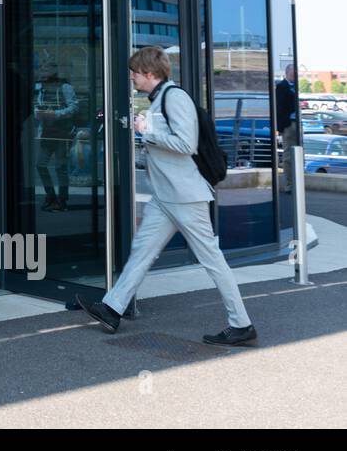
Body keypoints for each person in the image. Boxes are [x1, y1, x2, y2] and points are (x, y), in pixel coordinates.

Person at [79, 46, 257, 348]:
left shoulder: (175, 98)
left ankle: (241, 324)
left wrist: (146, 133)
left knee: (212, 260)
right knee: (142, 252)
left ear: (150, 73)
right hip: (166, 197)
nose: (132, 77)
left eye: (135, 72)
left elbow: (185, 144)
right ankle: (112, 309)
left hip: (185, 197)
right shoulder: (160, 99)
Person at [33, 63, 78, 211]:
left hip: (62, 132)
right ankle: (50, 195)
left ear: (53, 72)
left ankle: (62, 199)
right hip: (47, 131)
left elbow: (74, 107)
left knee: (60, 167)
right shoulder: (41, 88)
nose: (42, 72)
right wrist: (39, 114)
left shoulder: (65, 87)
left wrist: (56, 115)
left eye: (45, 70)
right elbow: (37, 105)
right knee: (40, 164)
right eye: (42, 69)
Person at [275, 64, 299, 194]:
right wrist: (282, 127)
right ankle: (289, 184)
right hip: (289, 124)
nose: (295, 75)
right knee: (288, 155)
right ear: (288, 73)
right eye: (294, 73)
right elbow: (279, 108)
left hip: (297, 123)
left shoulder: (296, 87)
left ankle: (296, 182)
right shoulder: (281, 87)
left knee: (298, 154)